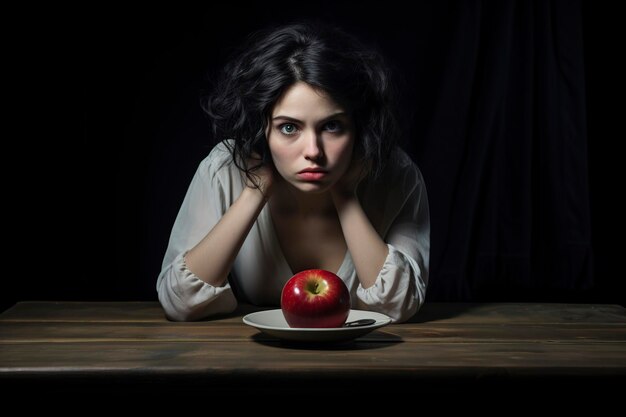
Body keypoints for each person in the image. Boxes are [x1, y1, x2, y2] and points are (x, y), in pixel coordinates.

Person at [157, 22, 430, 323]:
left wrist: (346, 196)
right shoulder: (226, 168)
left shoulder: (394, 175)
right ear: (262, 130)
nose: (313, 150)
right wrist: (255, 190)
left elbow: (400, 306)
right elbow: (180, 302)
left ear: (357, 128)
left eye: (332, 126)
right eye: (289, 128)